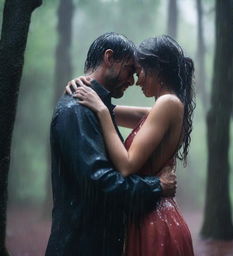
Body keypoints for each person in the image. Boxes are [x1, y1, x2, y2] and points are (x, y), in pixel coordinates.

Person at [45, 32, 177, 256]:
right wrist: (156, 187)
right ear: (109, 58)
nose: (132, 81)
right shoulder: (77, 110)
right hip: (80, 245)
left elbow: (150, 116)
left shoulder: (96, 108)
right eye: (129, 70)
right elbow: (100, 182)